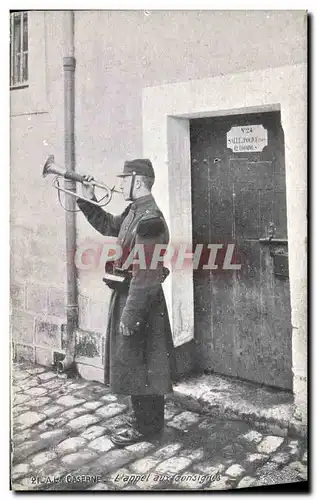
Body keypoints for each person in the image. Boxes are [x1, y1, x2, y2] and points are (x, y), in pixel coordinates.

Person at [77, 159, 175, 446]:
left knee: (143, 361)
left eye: (124, 179)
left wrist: (130, 316)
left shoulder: (149, 220)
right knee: (139, 360)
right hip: (132, 295)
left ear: (139, 181)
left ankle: (146, 427)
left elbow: (145, 275)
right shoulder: (135, 212)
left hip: (140, 299)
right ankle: (145, 420)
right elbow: (109, 225)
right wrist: (87, 198)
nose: (119, 185)